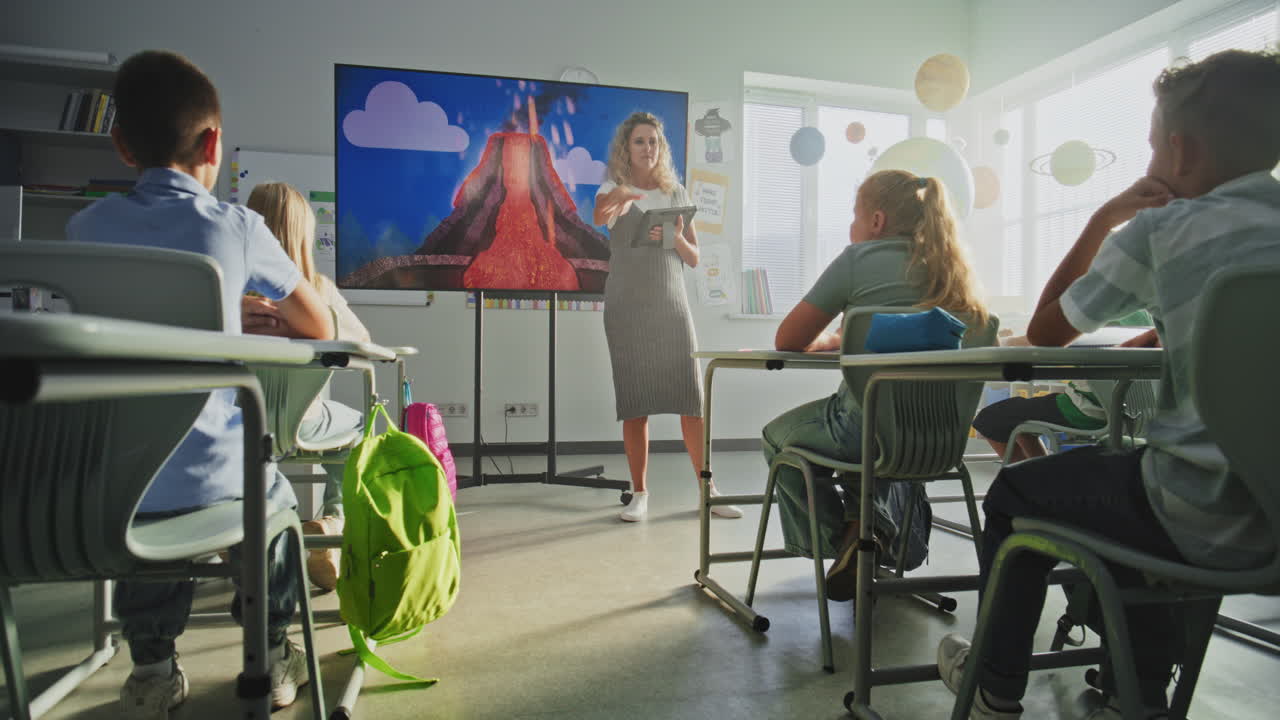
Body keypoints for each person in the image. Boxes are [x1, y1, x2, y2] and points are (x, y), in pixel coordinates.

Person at [937, 48, 1280, 720]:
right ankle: (1138, 686)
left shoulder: (1160, 229)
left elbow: (1043, 330)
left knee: (1016, 491)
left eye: (1153, 146)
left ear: (1178, 153)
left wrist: (1103, 219)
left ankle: (995, 682)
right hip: (1271, 519)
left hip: (1195, 513)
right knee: (1119, 487)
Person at [65, 50, 334, 717]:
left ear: (122, 144)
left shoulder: (84, 228)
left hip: (118, 482)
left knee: (148, 497)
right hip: (221, 478)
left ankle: (153, 667)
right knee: (269, 498)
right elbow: (318, 319)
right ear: (214, 142)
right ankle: (271, 652)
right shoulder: (237, 227)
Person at [764, 168, 989, 601]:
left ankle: (845, 540)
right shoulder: (954, 269)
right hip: (938, 438)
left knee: (779, 440)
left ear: (877, 221)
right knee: (883, 449)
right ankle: (868, 532)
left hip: (860, 428)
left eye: (854, 214)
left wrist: (835, 338)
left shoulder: (858, 260)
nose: (851, 225)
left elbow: (788, 340)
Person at [593, 111, 741, 522]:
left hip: (671, 303)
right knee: (635, 401)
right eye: (640, 141)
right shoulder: (612, 189)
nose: (648, 148)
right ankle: (640, 493)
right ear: (627, 147)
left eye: (654, 142)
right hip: (626, 305)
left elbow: (694, 258)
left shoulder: (676, 192)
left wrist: (675, 238)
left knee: (691, 399)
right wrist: (621, 196)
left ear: (662, 148)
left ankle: (707, 489)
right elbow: (598, 218)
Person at [244, 181, 371, 591]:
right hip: (305, 424)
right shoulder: (318, 292)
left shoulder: (225, 288)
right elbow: (363, 344)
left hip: (236, 429)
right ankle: (331, 522)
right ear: (306, 233)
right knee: (364, 427)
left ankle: (242, 532)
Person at [974, 310, 1153, 462]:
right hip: (1141, 414)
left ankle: (1032, 487)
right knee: (1016, 418)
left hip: (1087, 411)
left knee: (989, 419)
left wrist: (1005, 342)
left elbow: (1044, 341)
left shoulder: (1093, 307)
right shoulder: (1143, 316)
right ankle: (1041, 478)